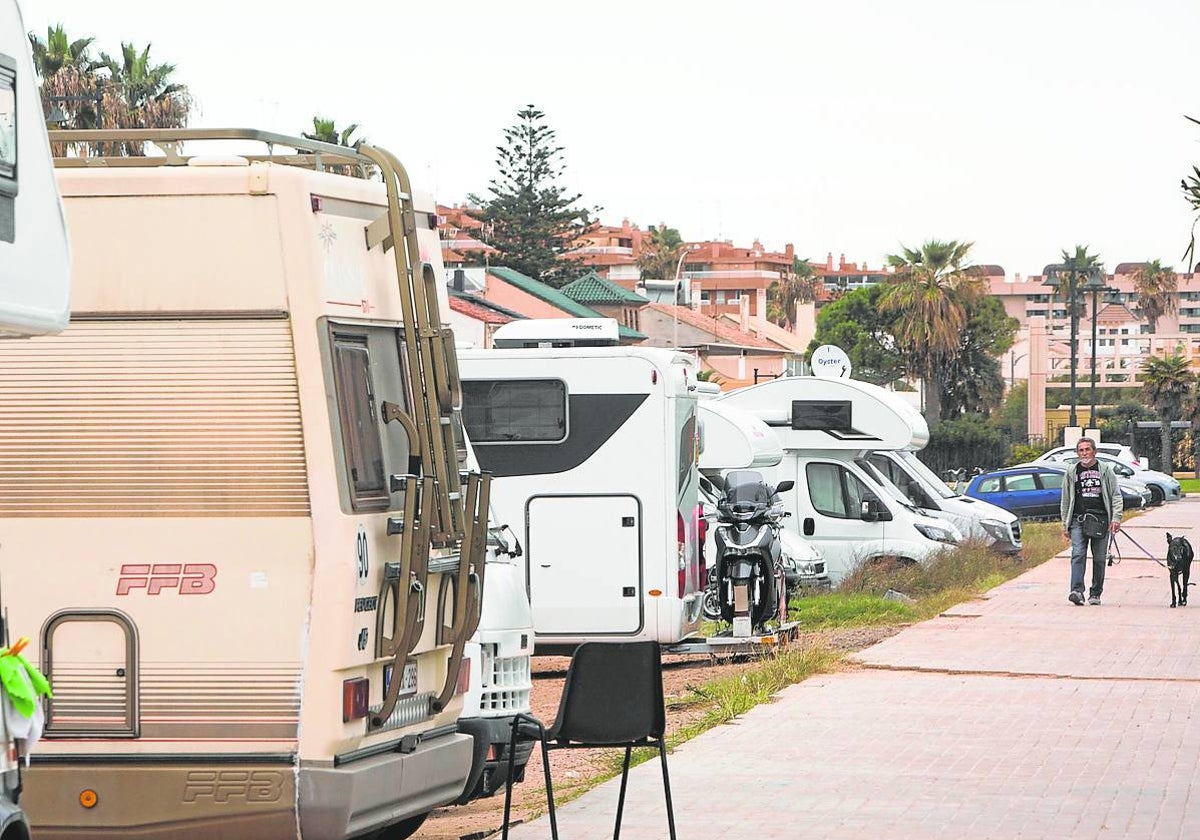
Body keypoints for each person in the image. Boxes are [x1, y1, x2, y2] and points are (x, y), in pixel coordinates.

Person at [1059, 437, 1122, 606]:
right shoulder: (1072, 472)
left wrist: (1116, 518)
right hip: (1078, 520)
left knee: (1099, 558)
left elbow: (1116, 495)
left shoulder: (1105, 470)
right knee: (1078, 553)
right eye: (1081, 450)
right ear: (1077, 453)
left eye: (1087, 449)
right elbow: (1066, 499)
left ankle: (1095, 593)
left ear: (1094, 451)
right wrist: (1065, 523)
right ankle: (1077, 591)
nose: (1084, 453)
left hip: (1100, 520)